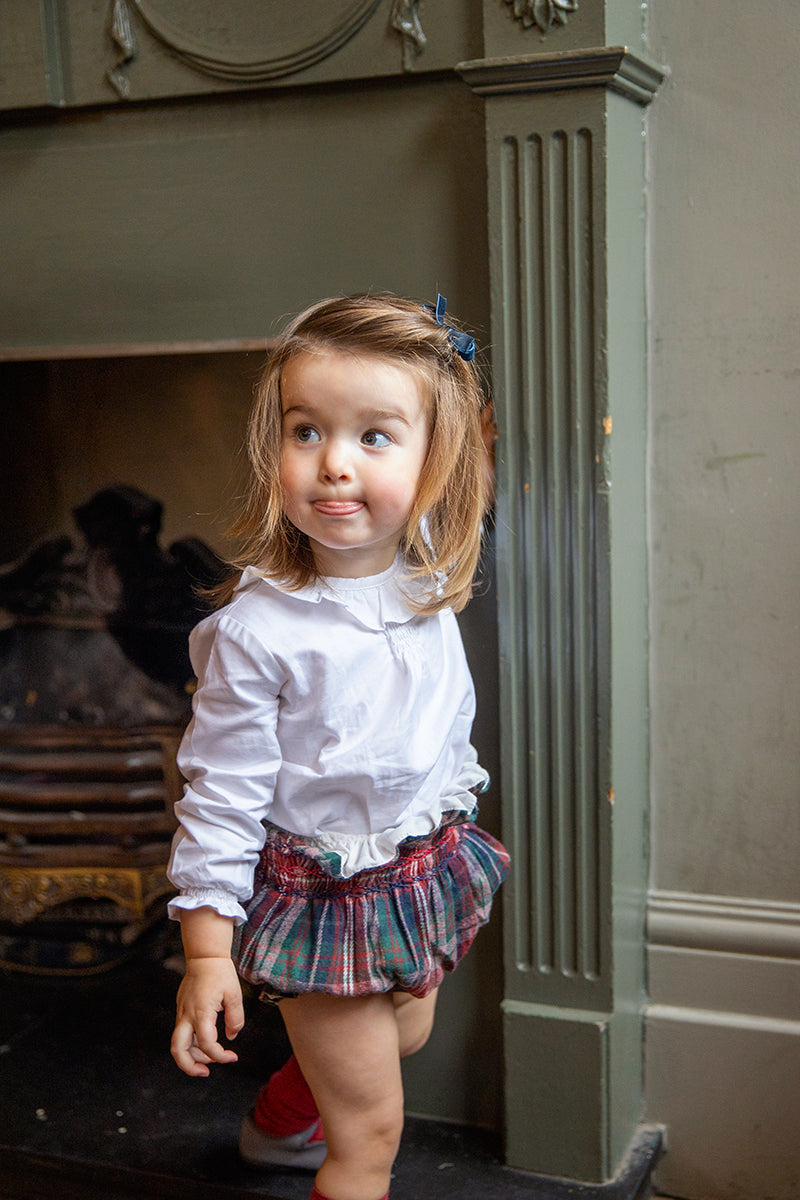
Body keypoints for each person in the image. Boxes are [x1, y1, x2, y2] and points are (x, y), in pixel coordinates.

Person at [167, 292, 509, 1200]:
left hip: (418, 863)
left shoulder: (426, 557)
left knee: (407, 1029)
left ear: (433, 463)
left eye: (374, 437)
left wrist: (441, 370)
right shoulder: (260, 633)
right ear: (272, 447)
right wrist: (207, 953)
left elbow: (466, 442)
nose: (334, 466)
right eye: (307, 431)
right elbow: (219, 796)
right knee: (371, 1133)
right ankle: (320, 1151)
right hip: (326, 890)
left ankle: (279, 1125)